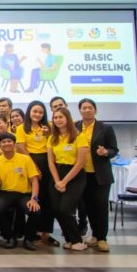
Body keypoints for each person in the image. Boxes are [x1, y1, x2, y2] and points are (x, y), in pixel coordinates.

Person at [76, 98, 118, 252]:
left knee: (100, 205)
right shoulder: (75, 127)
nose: (87, 110)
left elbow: (114, 149)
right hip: (81, 174)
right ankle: (94, 235)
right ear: (80, 110)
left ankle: (102, 238)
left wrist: (106, 152)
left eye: (90, 107)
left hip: (100, 174)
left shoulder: (105, 128)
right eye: (84, 108)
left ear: (95, 110)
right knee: (88, 206)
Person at [0, 132, 41, 251]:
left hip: (24, 194)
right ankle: (9, 237)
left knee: (35, 210)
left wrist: (34, 198)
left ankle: (28, 239)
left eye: (9, 141)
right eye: (3, 142)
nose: (7, 144)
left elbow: (34, 180)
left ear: (14, 143)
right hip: (5, 193)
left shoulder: (25, 159)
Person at [16, 100, 57, 246]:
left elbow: (54, 143)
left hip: (48, 161)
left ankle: (45, 232)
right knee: (33, 197)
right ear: (29, 112)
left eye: (40, 112)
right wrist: (34, 167)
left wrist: (49, 134)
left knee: (48, 198)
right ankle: (31, 232)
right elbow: (21, 147)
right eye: (35, 111)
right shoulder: (22, 128)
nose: (37, 114)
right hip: (29, 160)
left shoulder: (49, 127)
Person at [47, 107, 89, 251]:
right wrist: (58, 181)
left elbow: (80, 162)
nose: (58, 120)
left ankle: (77, 240)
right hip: (57, 174)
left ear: (68, 119)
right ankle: (69, 239)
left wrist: (64, 182)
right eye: (55, 117)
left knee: (65, 209)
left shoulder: (79, 136)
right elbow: (51, 162)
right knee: (56, 209)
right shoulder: (52, 138)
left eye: (60, 117)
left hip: (75, 175)